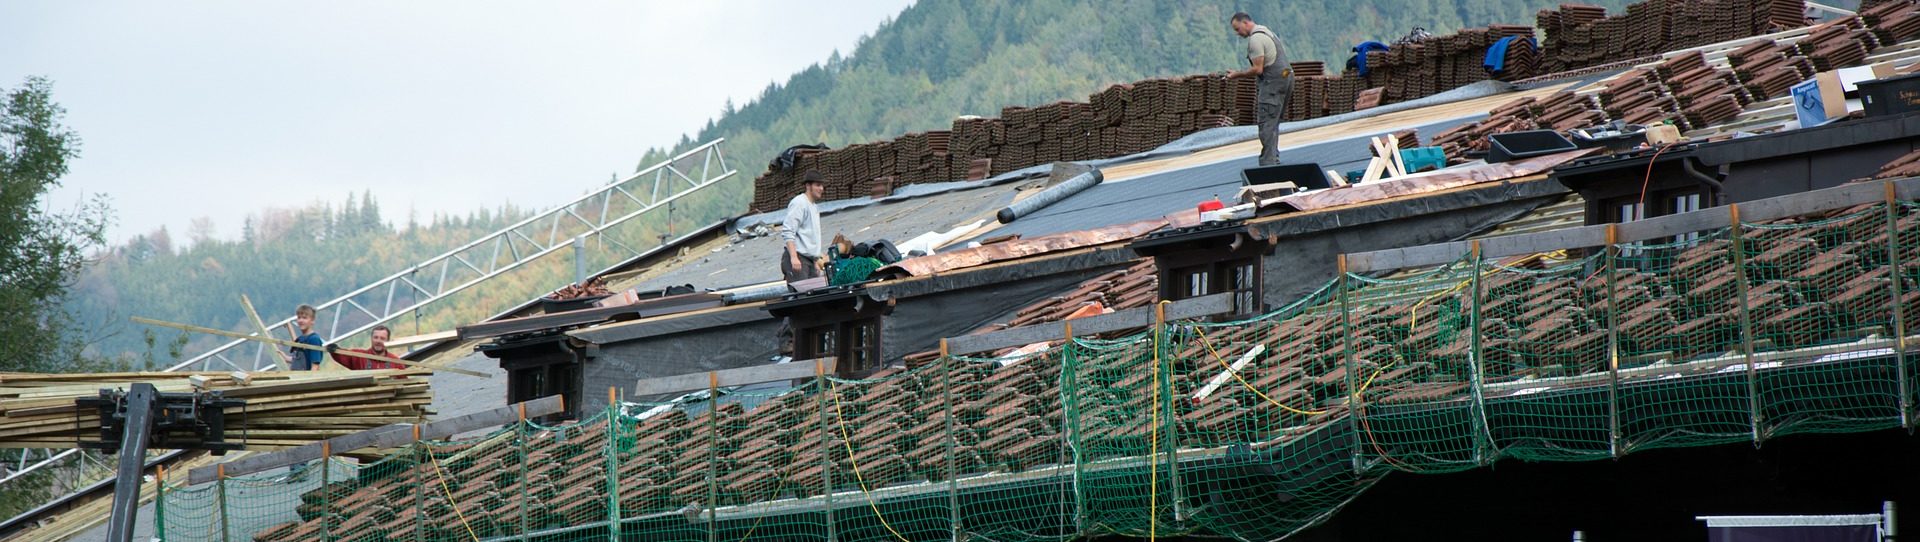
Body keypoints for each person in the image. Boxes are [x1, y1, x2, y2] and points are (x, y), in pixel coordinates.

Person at [1229, 12, 1293, 166]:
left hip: (1273, 84)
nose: (1238, 33)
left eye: (1238, 29)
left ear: (1245, 23)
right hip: (1286, 79)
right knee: (1274, 121)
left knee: (1266, 123)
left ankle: (1268, 163)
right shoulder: (1266, 31)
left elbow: (1258, 69)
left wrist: (1237, 74)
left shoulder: (1256, 39)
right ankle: (1273, 158)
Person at [781, 171, 826, 285]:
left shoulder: (814, 207)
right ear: (808, 186)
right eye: (817, 185)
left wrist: (815, 260)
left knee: (815, 296)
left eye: (822, 185)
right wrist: (794, 257)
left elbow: (811, 236)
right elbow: (788, 231)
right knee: (802, 296)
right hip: (799, 259)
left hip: (809, 261)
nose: (821, 188)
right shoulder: (800, 203)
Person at [331, 325, 399, 370]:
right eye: (376, 337)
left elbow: (403, 382)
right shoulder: (359, 356)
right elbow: (343, 355)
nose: (378, 341)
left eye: (382, 338)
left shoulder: (395, 362)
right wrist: (335, 350)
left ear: (388, 340)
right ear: (371, 338)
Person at [281, 304, 324, 371]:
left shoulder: (314, 339)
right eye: (299, 317)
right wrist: (285, 358)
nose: (301, 320)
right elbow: (299, 359)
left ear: (312, 320)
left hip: (305, 378)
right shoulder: (300, 339)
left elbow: (315, 366)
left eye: (304, 318)